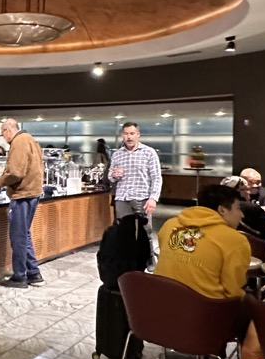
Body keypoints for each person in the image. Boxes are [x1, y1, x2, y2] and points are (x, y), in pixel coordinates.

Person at [155, 184, 252, 300]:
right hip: (204, 310)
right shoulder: (236, 240)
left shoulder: (169, 225)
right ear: (222, 210)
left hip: (159, 302)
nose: (242, 215)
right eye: (238, 208)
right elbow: (233, 291)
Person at [0, 117, 45, 289]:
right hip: (33, 193)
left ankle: (20, 276)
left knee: (18, 237)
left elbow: (15, 172)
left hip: (22, 195)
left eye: (2, 133)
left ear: (7, 130)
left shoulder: (19, 142)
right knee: (24, 235)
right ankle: (34, 273)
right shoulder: (31, 140)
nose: (3, 138)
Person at [107, 122, 162, 257]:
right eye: (126, 134)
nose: (129, 137)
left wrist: (153, 198)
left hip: (142, 197)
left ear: (138, 135)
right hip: (122, 198)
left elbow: (156, 177)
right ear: (122, 135)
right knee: (124, 231)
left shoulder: (149, 152)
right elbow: (110, 176)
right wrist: (114, 175)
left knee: (146, 231)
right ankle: (127, 260)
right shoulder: (117, 154)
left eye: (132, 134)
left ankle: (149, 258)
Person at [220, 176, 265, 241]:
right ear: (238, 191)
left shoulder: (220, 207)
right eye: (246, 189)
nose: (249, 192)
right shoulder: (252, 208)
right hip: (263, 246)